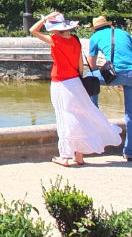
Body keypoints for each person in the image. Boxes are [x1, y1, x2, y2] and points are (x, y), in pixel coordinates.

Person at [29, 11, 121, 166]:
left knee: (64, 117)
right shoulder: (75, 40)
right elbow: (80, 65)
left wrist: (45, 18)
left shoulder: (55, 40)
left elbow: (33, 30)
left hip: (61, 83)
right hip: (76, 82)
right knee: (81, 115)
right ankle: (79, 156)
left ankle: (64, 156)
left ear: (55, 28)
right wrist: (78, 80)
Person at [87, 15, 132, 162]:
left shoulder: (95, 37)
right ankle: (130, 152)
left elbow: (91, 64)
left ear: (95, 28)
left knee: (89, 77)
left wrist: (104, 70)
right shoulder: (125, 34)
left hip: (116, 74)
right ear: (108, 25)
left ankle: (94, 111)